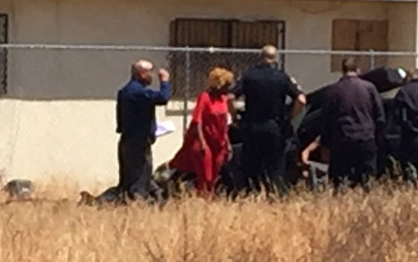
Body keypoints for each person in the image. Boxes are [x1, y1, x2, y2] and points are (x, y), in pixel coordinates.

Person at [229, 45, 306, 195]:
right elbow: (301, 100)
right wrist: (290, 117)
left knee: (251, 166)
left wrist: (234, 118)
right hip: (275, 128)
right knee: (275, 167)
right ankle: (273, 196)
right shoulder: (282, 77)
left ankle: (251, 195)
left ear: (260, 58)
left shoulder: (249, 76)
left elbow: (230, 97)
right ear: (275, 59)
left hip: (252, 127)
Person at [321, 57, 386, 192]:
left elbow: (326, 119)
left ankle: (342, 201)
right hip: (365, 138)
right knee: (367, 180)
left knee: (340, 180)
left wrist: (325, 143)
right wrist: (377, 138)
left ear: (342, 70)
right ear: (358, 70)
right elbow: (380, 116)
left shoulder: (332, 90)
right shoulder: (369, 88)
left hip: (341, 139)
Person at [168, 67, 234, 196]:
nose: (228, 89)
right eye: (226, 85)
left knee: (215, 175)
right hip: (205, 142)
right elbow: (197, 121)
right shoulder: (204, 97)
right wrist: (202, 142)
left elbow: (225, 123)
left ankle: (211, 198)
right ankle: (203, 198)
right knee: (205, 176)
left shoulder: (224, 99)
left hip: (219, 142)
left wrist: (228, 143)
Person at [116, 59, 171, 202]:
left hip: (128, 140)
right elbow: (163, 98)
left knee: (130, 179)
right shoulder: (138, 92)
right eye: (150, 72)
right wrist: (165, 81)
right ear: (141, 74)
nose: (152, 76)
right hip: (138, 142)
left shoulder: (125, 90)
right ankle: (138, 204)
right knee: (140, 179)